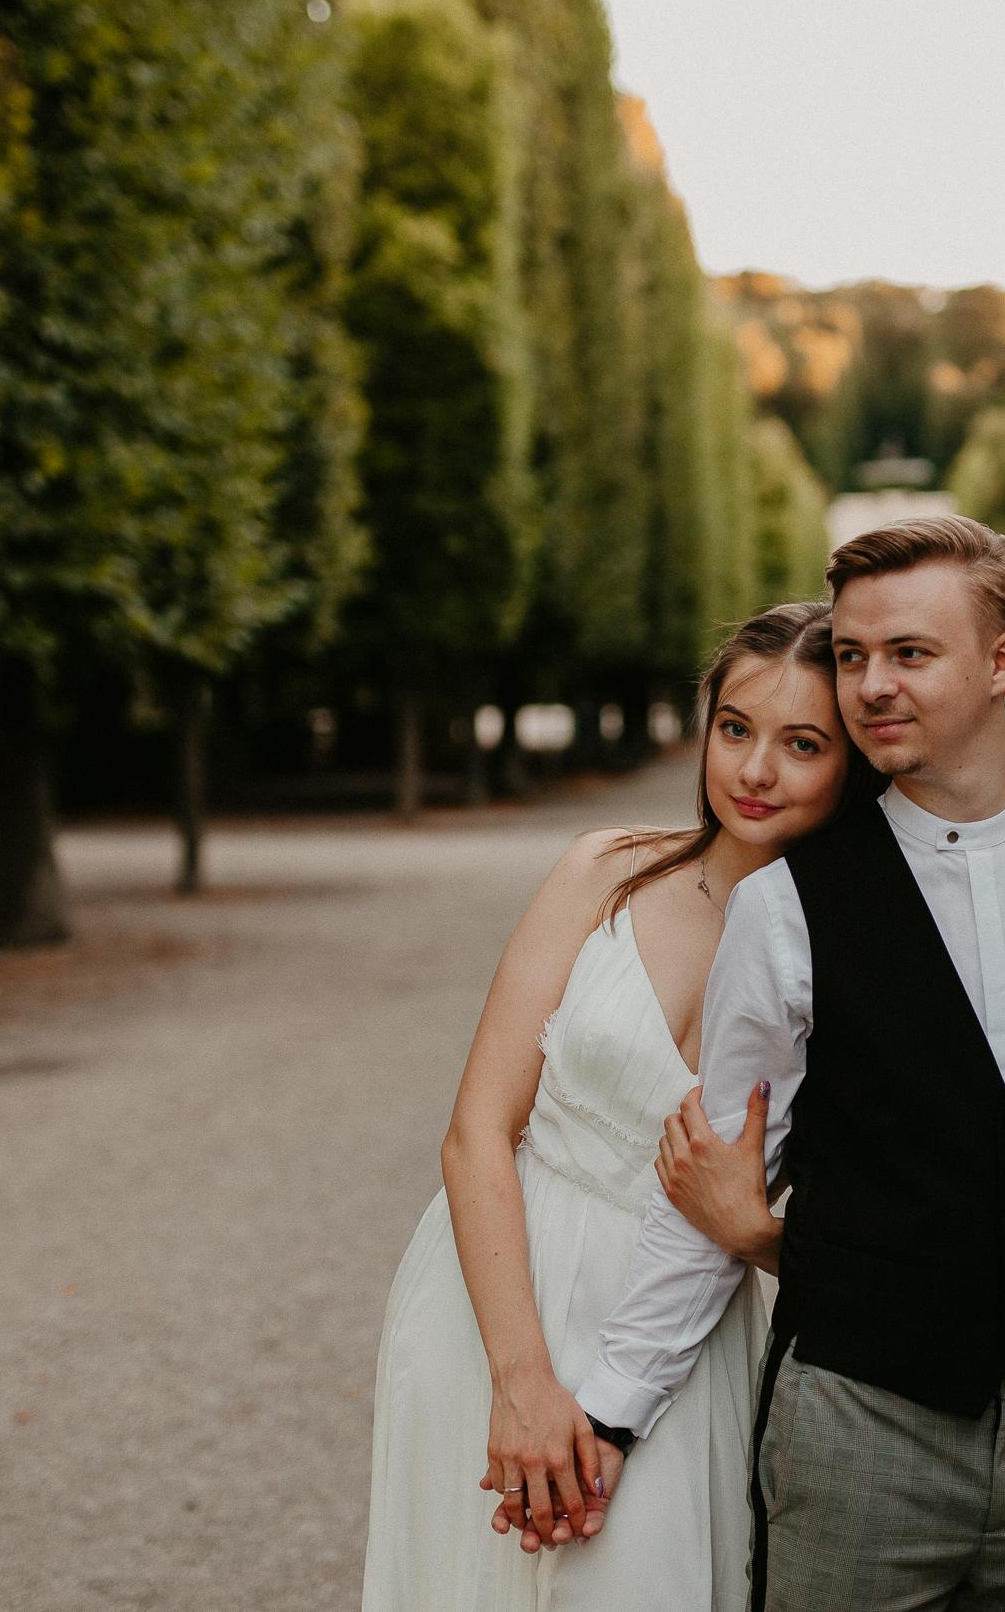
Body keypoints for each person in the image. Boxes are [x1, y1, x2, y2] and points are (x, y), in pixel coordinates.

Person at [535, 517, 1005, 1611]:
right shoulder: (787, 905)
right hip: (858, 1436)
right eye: (851, 655)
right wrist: (614, 1407)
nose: (869, 685)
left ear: (1002, 660)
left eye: (908, 652)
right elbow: (717, 1173)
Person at [360, 602, 883, 1612]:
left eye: (802, 743)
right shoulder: (604, 868)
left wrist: (760, 1233)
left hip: (681, 1329)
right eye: (735, 727)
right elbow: (476, 1132)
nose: (755, 769)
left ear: (851, 762)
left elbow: (882, 1213)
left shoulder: (857, 955)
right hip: (498, 1295)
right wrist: (521, 1376)